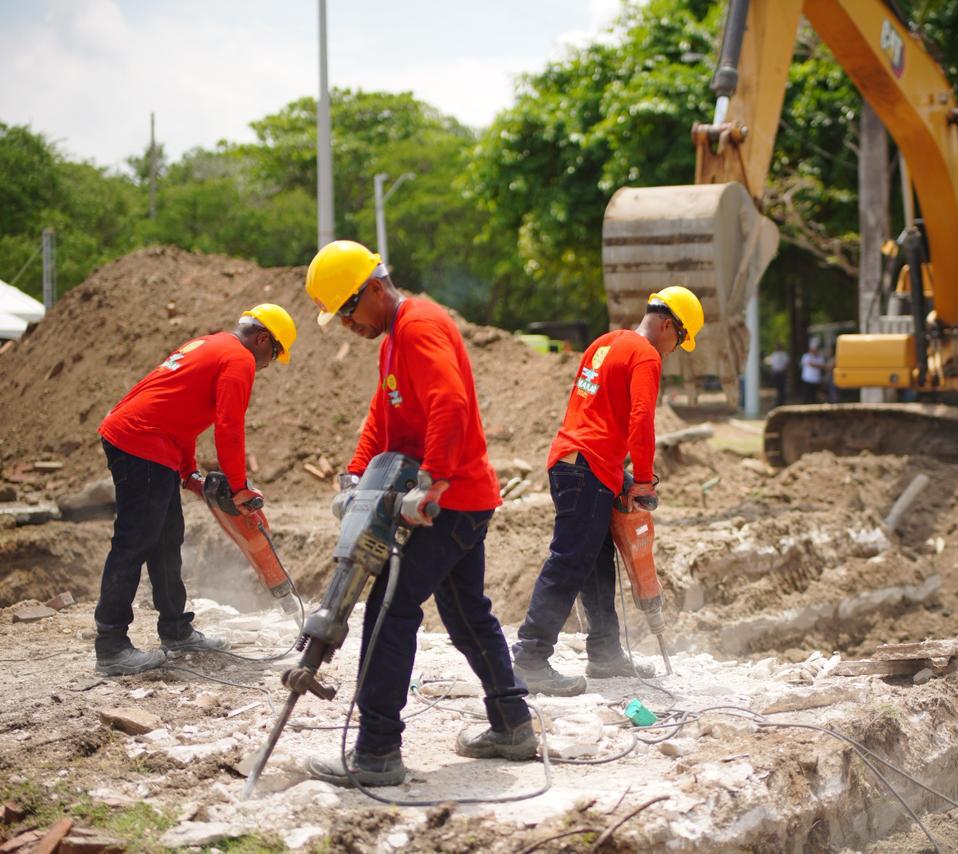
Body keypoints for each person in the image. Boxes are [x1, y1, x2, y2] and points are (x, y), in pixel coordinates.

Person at [302, 240, 534, 788]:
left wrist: (432, 481)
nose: (346, 324)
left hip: (448, 502)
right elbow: (382, 415)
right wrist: (354, 475)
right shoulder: (393, 340)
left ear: (374, 289)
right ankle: (512, 724)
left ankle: (377, 751)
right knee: (466, 613)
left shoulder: (419, 326)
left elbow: (450, 404)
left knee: (390, 610)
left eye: (347, 310)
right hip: (461, 500)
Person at [510, 285, 704, 696]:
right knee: (569, 560)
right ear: (668, 325)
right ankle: (530, 657)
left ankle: (604, 653)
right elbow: (641, 420)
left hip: (575, 463)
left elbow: (593, 412)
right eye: (681, 338)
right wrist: (644, 480)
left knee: (596, 562)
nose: (675, 349)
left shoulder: (605, 343)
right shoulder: (646, 355)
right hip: (588, 467)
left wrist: (620, 478)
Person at [94, 304, 296, 676]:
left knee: (166, 538)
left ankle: (176, 630)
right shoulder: (239, 359)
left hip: (147, 438)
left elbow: (179, 413)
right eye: (274, 354)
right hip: (142, 441)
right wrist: (239, 487)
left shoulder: (210, 345)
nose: (267, 364)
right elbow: (229, 427)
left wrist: (188, 473)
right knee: (134, 540)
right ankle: (111, 645)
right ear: (262, 338)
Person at [800, 338, 826, 403]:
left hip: (816, 380)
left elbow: (822, 366)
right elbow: (811, 364)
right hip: (807, 379)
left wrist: (815, 365)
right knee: (806, 396)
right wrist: (817, 365)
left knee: (814, 397)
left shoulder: (820, 357)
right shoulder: (806, 356)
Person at [766, 343, 789, 407]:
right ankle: (778, 401)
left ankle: (781, 401)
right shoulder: (774, 354)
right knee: (778, 388)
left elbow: (786, 364)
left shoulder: (784, 354)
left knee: (782, 387)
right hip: (776, 373)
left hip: (781, 372)